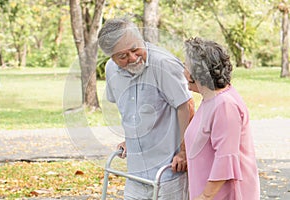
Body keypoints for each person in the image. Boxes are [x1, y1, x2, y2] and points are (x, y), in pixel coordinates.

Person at [98, 17, 194, 199]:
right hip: (135, 171)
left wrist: (185, 151)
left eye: (135, 49)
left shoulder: (164, 64)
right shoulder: (111, 69)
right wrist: (132, 138)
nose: (133, 58)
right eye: (123, 56)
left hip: (169, 170)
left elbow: (186, 106)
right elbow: (128, 109)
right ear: (111, 57)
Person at [183, 37, 260, 200]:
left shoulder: (225, 105)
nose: (183, 70)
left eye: (186, 65)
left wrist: (205, 196)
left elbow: (226, 158)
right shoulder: (210, 100)